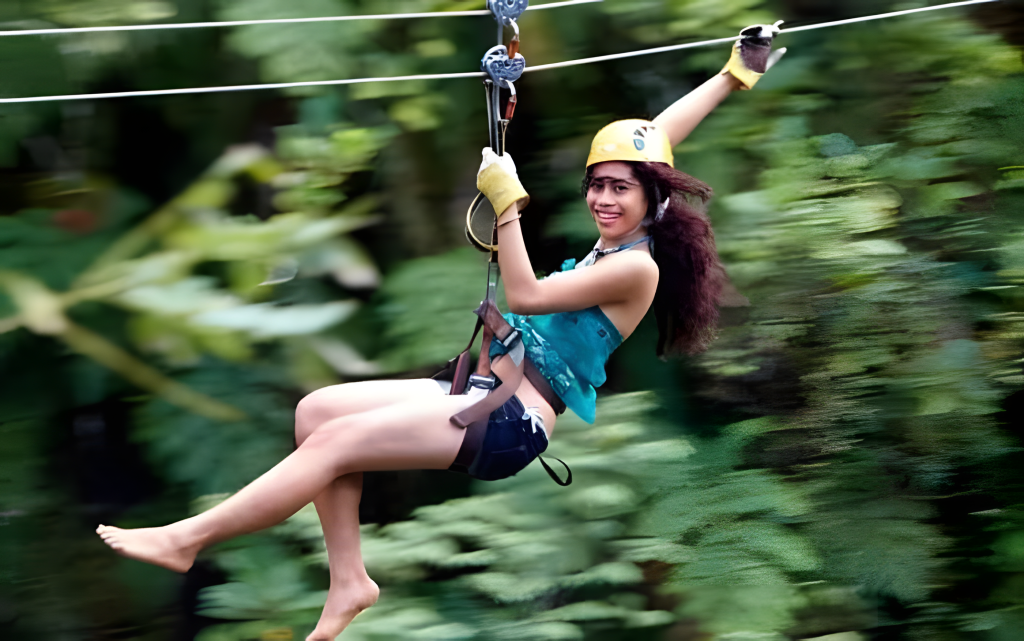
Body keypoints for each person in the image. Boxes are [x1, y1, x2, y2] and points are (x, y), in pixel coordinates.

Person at [96, 23, 785, 641]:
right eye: (596, 185)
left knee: (339, 441)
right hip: (487, 384)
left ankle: (188, 538)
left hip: (514, 418)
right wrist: (733, 73)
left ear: (650, 199)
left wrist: (508, 202)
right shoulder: (617, 240)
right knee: (317, 411)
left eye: (619, 190)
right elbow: (659, 134)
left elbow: (527, 293)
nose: (603, 198)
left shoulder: (637, 271)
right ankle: (349, 582)